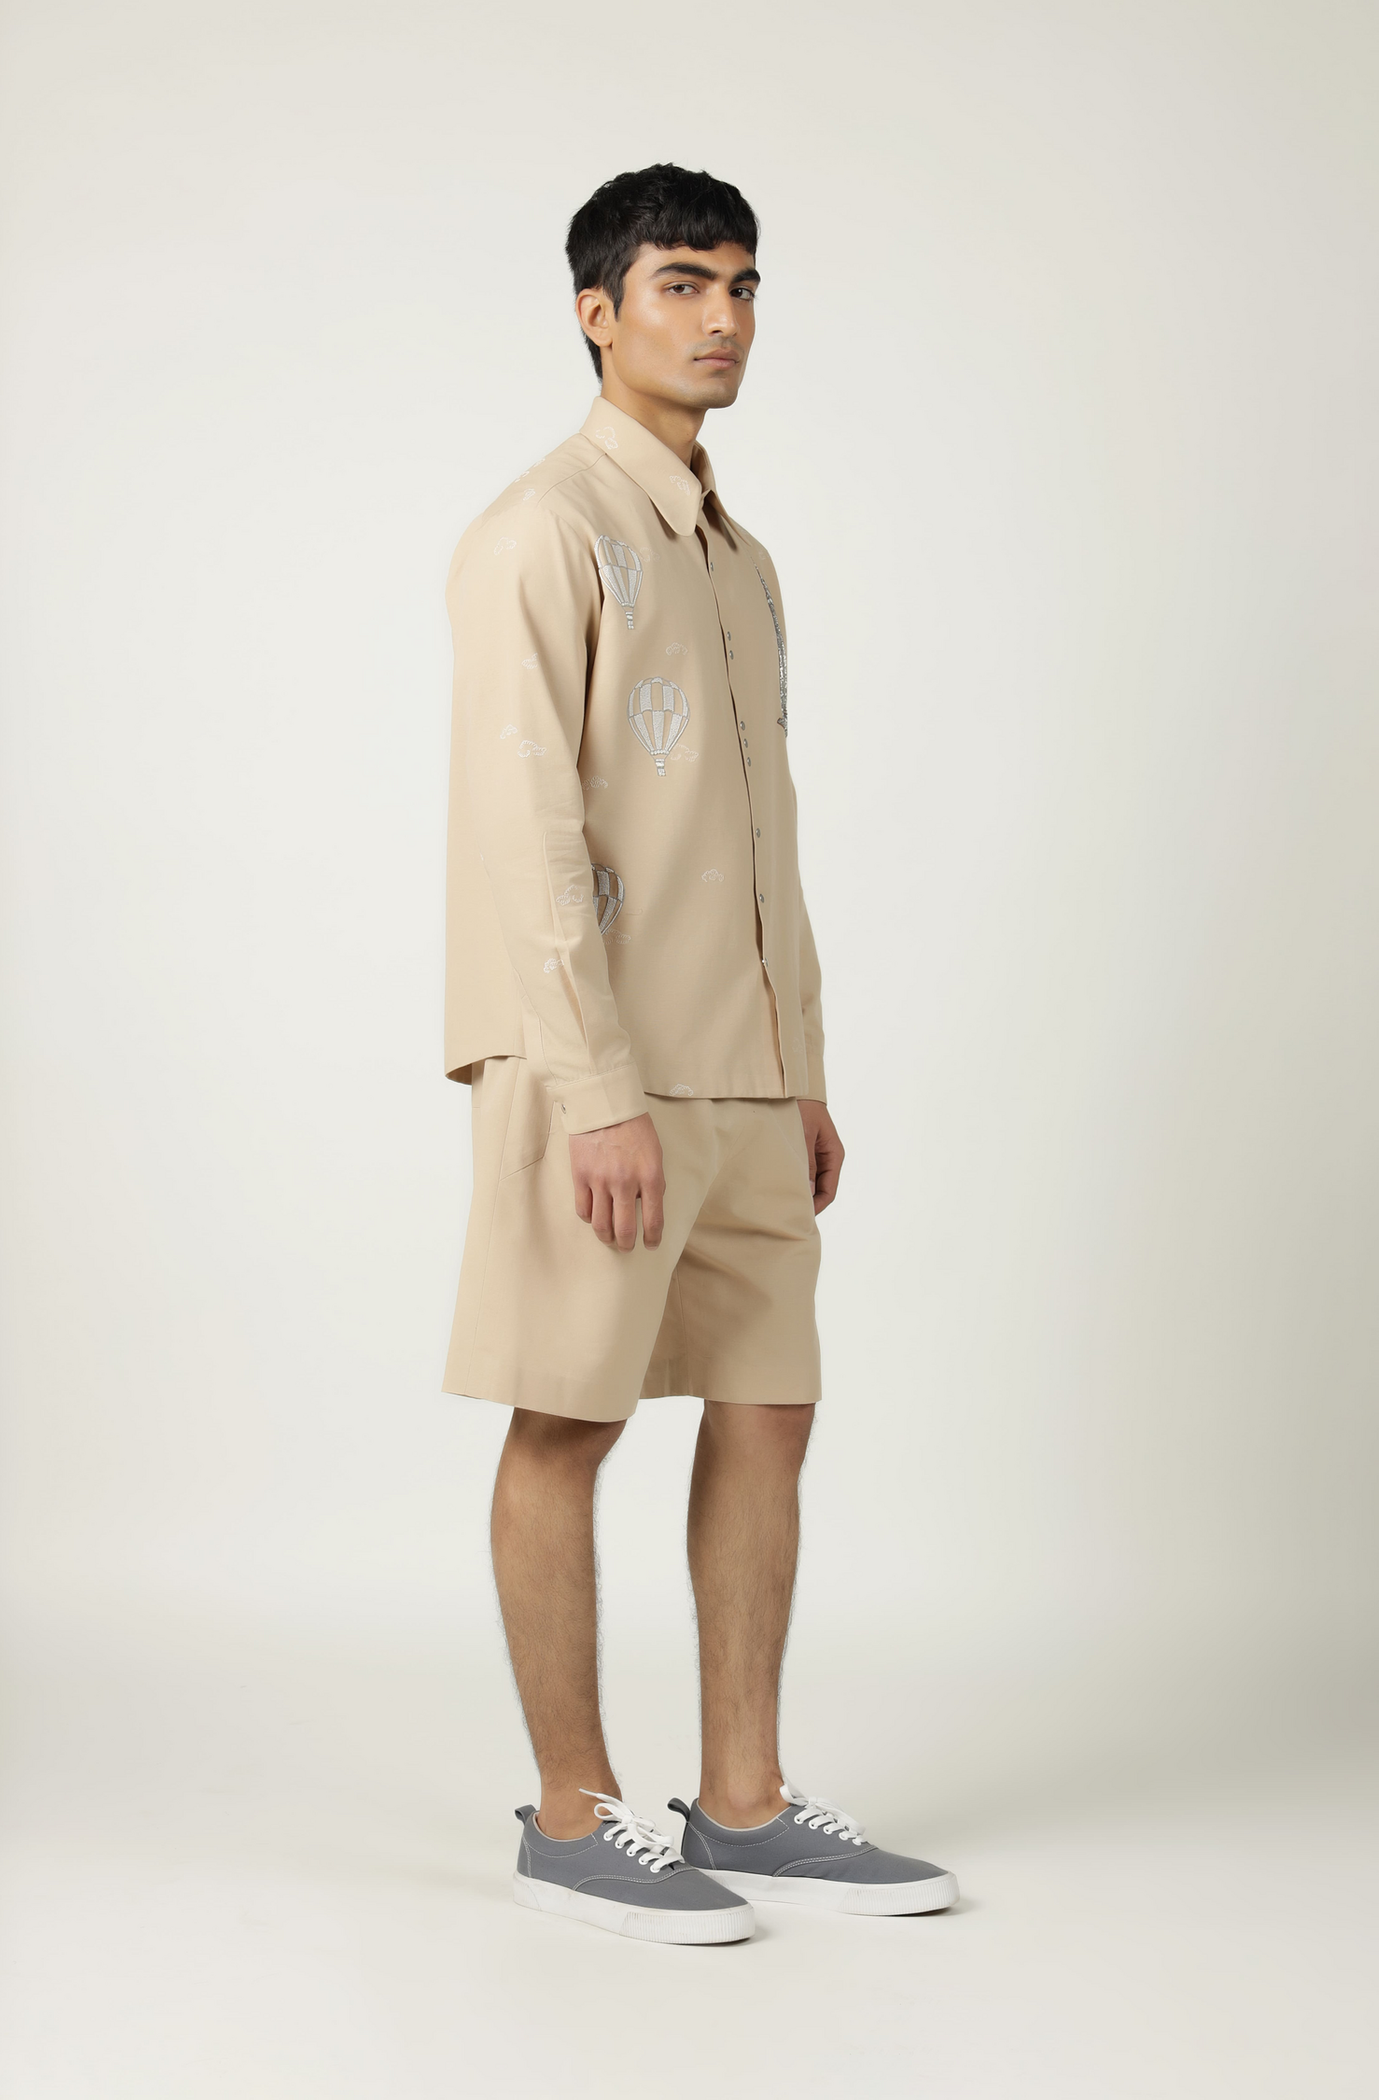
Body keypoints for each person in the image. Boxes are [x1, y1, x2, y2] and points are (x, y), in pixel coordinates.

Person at [442, 164, 958, 1942]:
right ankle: (571, 1816)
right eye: (683, 284)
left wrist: (797, 1069)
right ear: (598, 312)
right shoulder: (540, 532)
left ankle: (743, 1800)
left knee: (770, 1408)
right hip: (599, 1067)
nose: (723, 317)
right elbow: (524, 832)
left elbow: (760, 840)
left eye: (742, 285)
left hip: (741, 1070)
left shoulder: (743, 562)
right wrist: (596, 1093)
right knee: (568, 1416)